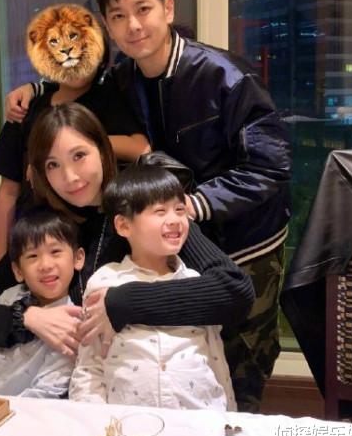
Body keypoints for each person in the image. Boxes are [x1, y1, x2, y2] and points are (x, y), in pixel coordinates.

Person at [4, 0, 291, 412]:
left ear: (168, 8)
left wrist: (191, 204)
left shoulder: (225, 76)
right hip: (172, 229)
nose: (133, 26)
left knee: (242, 361)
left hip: (244, 239)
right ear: (107, 25)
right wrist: (34, 90)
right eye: (118, 16)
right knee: (187, 351)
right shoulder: (122, 77)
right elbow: (76, 88)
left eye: (143, 9)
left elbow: (270, 166)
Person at [0, 103, 254, 374]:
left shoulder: (141, 208)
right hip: (73, 386)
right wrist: (27, 318)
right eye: (53, 165)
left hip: (158, 377)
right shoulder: (48, 226)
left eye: (79, 156)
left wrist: (123, 301)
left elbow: (234, 291)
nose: (70, 177)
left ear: (102, 148)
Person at [0, 4, 149, 264]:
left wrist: (71, 149)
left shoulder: (109, 98)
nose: (67, 51)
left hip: (93, 238)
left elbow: (140, 148)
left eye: (76, 39)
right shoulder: (29, 106)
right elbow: (8, 192)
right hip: (35, 238)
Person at [69, 163, 235, 411]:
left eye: (180, 210)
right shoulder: (105, 281)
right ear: (124, 226)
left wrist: (228, 418)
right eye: (160, 211)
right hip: (128, 421)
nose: (175, 220)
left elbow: (216, 358)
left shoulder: (195, 282)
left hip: (198, 418)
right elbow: (89, 366)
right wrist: (94, 420)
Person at [0, 207, 83, 398]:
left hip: (1, 408)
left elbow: (45, 393)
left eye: (55, 252)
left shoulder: (72, 324)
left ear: (78, 258)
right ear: (18, 271)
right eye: (33, 256)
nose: (45, 265)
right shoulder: (10, 295)